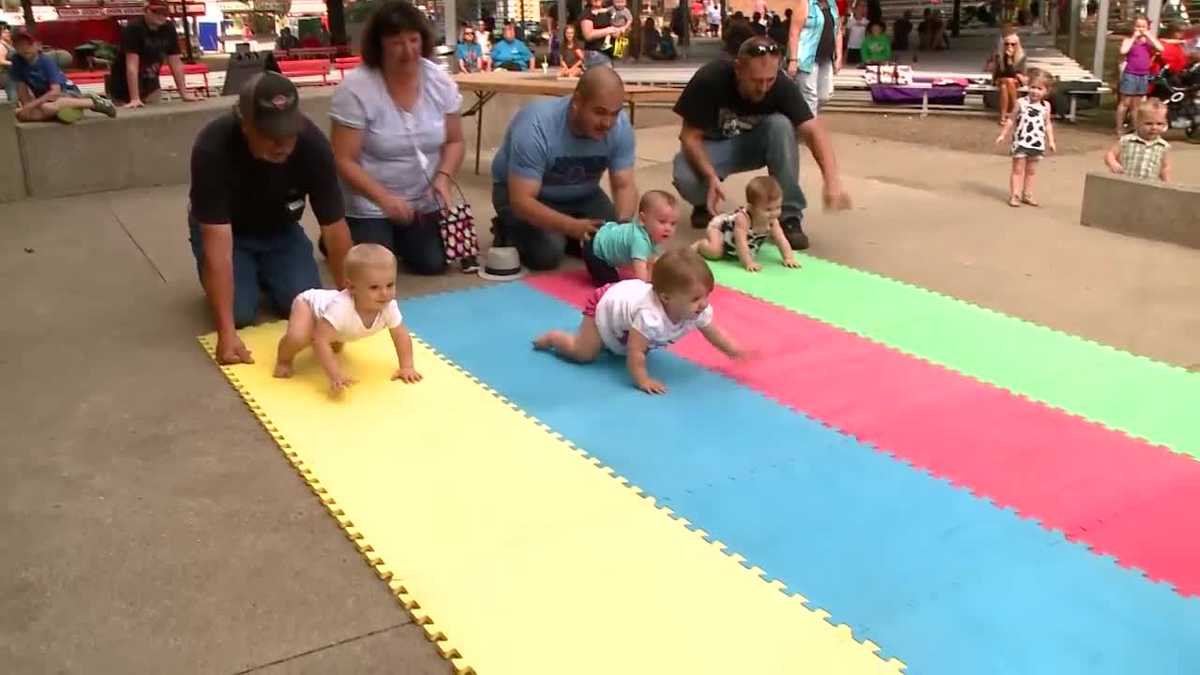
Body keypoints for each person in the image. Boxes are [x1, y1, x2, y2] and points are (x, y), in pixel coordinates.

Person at [188, 72, 354, 365]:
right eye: (270, 135)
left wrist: (347, 306)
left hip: (281, 229)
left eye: (289, 134)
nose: (282, 145)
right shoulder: (212, 148)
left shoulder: (313, 146)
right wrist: (226, 335)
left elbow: (335, 230)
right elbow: (218, 246)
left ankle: (267, 270)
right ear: (245, 124)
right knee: (240, 314)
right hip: (228, 231)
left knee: (304, 305)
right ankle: (246, 274)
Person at [672, 37, 852, 251]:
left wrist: (831, 181)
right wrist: (710, 176)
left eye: (770, 80)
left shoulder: (782, 86)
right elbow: (689, 137)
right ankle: (703, 204)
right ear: (738, 69)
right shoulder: (710, 79)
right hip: (714, 149)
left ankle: (789, 216)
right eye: (756, 81)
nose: (764, 88)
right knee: (684, 172)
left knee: (781, 126)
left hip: (753, 146)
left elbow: (814, 131)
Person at [330, 0, 465, 276]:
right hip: (371, 202)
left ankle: (396, 237)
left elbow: (455, 141)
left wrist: (443, 177)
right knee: (374, 273)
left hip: (422, 199)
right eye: (396, 43)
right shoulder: (355, 89)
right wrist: (384, 199)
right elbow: (343, 160)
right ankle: (345, 233)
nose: (408, 51)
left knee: (433, 263)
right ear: (379, 45)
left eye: (414, 40)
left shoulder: (440, 81)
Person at [533, 248, 744, 395]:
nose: (704, 303)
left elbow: (715, 333)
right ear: (666, 298)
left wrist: (735, 351)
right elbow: (636, 351)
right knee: (584, 353)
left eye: (706, 295)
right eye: (696, 299)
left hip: (626, 307)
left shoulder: (696, 311)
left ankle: (612, 340)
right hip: (605, 306)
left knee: (621, 346)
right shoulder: (650, 316)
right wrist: (642, 379)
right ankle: (554, 338)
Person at [491, 67, 638, 271]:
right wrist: (572, 227)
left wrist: (623, 226)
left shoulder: (620, 127)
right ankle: (508, 230)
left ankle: (568, 236)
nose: (608, 123)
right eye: (599, 112)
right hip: (526, 196)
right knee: (546, 255)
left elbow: (624, 185)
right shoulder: (536, 125)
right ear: (577, 102)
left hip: (583, 193)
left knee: (613, 246)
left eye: (615, 113)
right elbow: (521, 201)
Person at [274, 243, 422, 394]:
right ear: (351, 288)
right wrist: (335, 375)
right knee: (299, 337)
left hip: (335, 320)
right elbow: (319, 340)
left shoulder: (388, 306)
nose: (385, 293)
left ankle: (335, 336)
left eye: (390, 285)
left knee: (335, 343)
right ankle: (284, 360)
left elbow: (400, 335)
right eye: (374, 287)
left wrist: (407, 366)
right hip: (308, 306)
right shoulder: (341, 308)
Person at [693, 175, 801, 271]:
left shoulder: (772, 221)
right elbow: (741, 242)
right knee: (715, 252)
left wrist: (788, 258)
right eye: (768, 209)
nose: (774, 213)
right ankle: (699, 245)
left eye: (778, 207)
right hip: (720, 229)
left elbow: (781, 239)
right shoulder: (743, 219)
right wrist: (748, 262)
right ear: (751, 207)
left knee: (748, 251)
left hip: (734, 241)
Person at [8, 29, 117, 123]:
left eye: (29, 44)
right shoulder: (17, 61)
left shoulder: (46, 61)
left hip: (65, 93)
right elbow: (21, 89)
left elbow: (55, 91)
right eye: (19, 45)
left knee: (48, 107)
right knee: (21, 114)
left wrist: (32, 105)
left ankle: (92, 102)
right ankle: (61, 111)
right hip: (44, 100)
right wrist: (26, 107)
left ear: (38, 45)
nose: (24, 48)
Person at [106, 0, 199, 108]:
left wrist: (184, 93)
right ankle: (134, 97)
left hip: (151, 85)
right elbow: (132, 65)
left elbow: (175, 63)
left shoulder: (168, 28)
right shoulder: (134, 28)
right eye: (156, 12)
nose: (160, 16)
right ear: (146, 11)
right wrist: (135, 98)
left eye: (164, 13)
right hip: (123, 88)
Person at [584, 189, 678, 285]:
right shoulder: (639, 241)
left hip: (604, 233)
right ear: (643, 219)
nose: (668, 228)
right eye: (662, 221)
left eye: (673, 223)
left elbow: (653, 260)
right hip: (596, 252)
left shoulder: (652, 234)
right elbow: (640, 279)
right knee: (613, 286)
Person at [995, 68, 1056, 207]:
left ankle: (1027, 194)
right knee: (1018, 170)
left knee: (1031, 171)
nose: (1035, 91)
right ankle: (1015, 194)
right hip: (1021, 141)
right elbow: (1011, 119)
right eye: (1033, 87)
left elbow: (1047, 124)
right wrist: (1003, 134)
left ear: (1046, 91)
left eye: (1039, 88)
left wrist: (1051, 140)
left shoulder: (1046, 106)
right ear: (1028, 86)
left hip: (1036, 143)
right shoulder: (1021, 102)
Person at [791, 0, 842, 114]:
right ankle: (809, 126)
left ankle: (804, 118)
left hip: (826, 57)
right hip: (806, 58)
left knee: (825, 95)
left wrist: (839, 56)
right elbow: (794, 32)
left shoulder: (832, 4)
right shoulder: (805, 4)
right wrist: (793, 60)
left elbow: (838, 31)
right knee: (810, 96)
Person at [1116, 16, 1164, 136]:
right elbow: (1123, 51)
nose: (1140, 29)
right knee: (1125, 102)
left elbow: (1160, 48)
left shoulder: (1148, 42)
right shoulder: (1128, 40)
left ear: (1147, 28)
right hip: (1130, 74)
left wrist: (1148, 35)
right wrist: (1134, 37)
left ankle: (1136, 127)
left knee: (1137, 104)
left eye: (1143, 26)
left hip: (1143, 75)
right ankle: (1119, 127)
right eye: (1138, 26)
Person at [1105, 98, 1172, 181]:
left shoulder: (1163, 146)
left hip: (1149, 186)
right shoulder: (1127, 140)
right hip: (1125, 182)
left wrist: (1166, 183)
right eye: (1148, 123)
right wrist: (1113, 163)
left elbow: (1165, 167)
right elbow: (1110, 154)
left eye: (1159, 124)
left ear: (1165, 124)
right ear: (1137, 122)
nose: (1154, 127)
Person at [986, 27, 1026, 124]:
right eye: (1007, 43)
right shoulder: (999, 55)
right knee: (1006, 82)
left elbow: (1016, 73)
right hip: (1001, 79)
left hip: (1015, 80)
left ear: (1017, 45)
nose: (1009, 46)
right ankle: (1015, 112)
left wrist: (1010, 60)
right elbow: (1001, 72)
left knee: (1007, 83)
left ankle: (1003, 116)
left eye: (1013, 44)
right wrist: (1006, 58)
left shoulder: (1021, 56)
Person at [581, 0, 618, 69]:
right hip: (596, 55)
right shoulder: (587, 13)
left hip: (607, 55)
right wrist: (608, 30)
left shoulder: (608, 12)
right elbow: (588, 35)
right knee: (603, 79)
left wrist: (616, 31)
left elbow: (614, 28)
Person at [1, 24, 17, 103]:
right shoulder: (1, 45)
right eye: (5, 33)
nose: (8, 34)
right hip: (6, 74)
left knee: (17, 95)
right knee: (13, 95)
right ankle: (13, 112)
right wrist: (15, 64)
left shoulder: (9, 44)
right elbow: (1, 61)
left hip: (12, 74)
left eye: (9, 32)